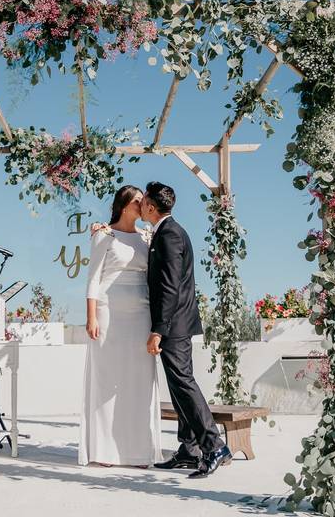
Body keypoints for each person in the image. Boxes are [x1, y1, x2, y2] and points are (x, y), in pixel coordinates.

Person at [142, 182, 231, 478]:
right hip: (178, 322)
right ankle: (190, 449)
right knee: (179, 384)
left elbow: (169, 286)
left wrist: (158, 329)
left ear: (152, 207)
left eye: (143, 202)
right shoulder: (169, 231)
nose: (140, 206)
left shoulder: (168, 235)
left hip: (174, 324)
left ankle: (214, 445)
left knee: (183, 383)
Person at [80, 185, 162, 468]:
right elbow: (92, 279)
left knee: (139, 383)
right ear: (125, 205)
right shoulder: (104, 235)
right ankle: (104, 452)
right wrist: (91, 317)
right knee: (106, 382)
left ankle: (138, 452)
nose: (144, 205)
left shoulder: (147, 236)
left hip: (141, 315)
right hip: (107, 313)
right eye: (140, 201)